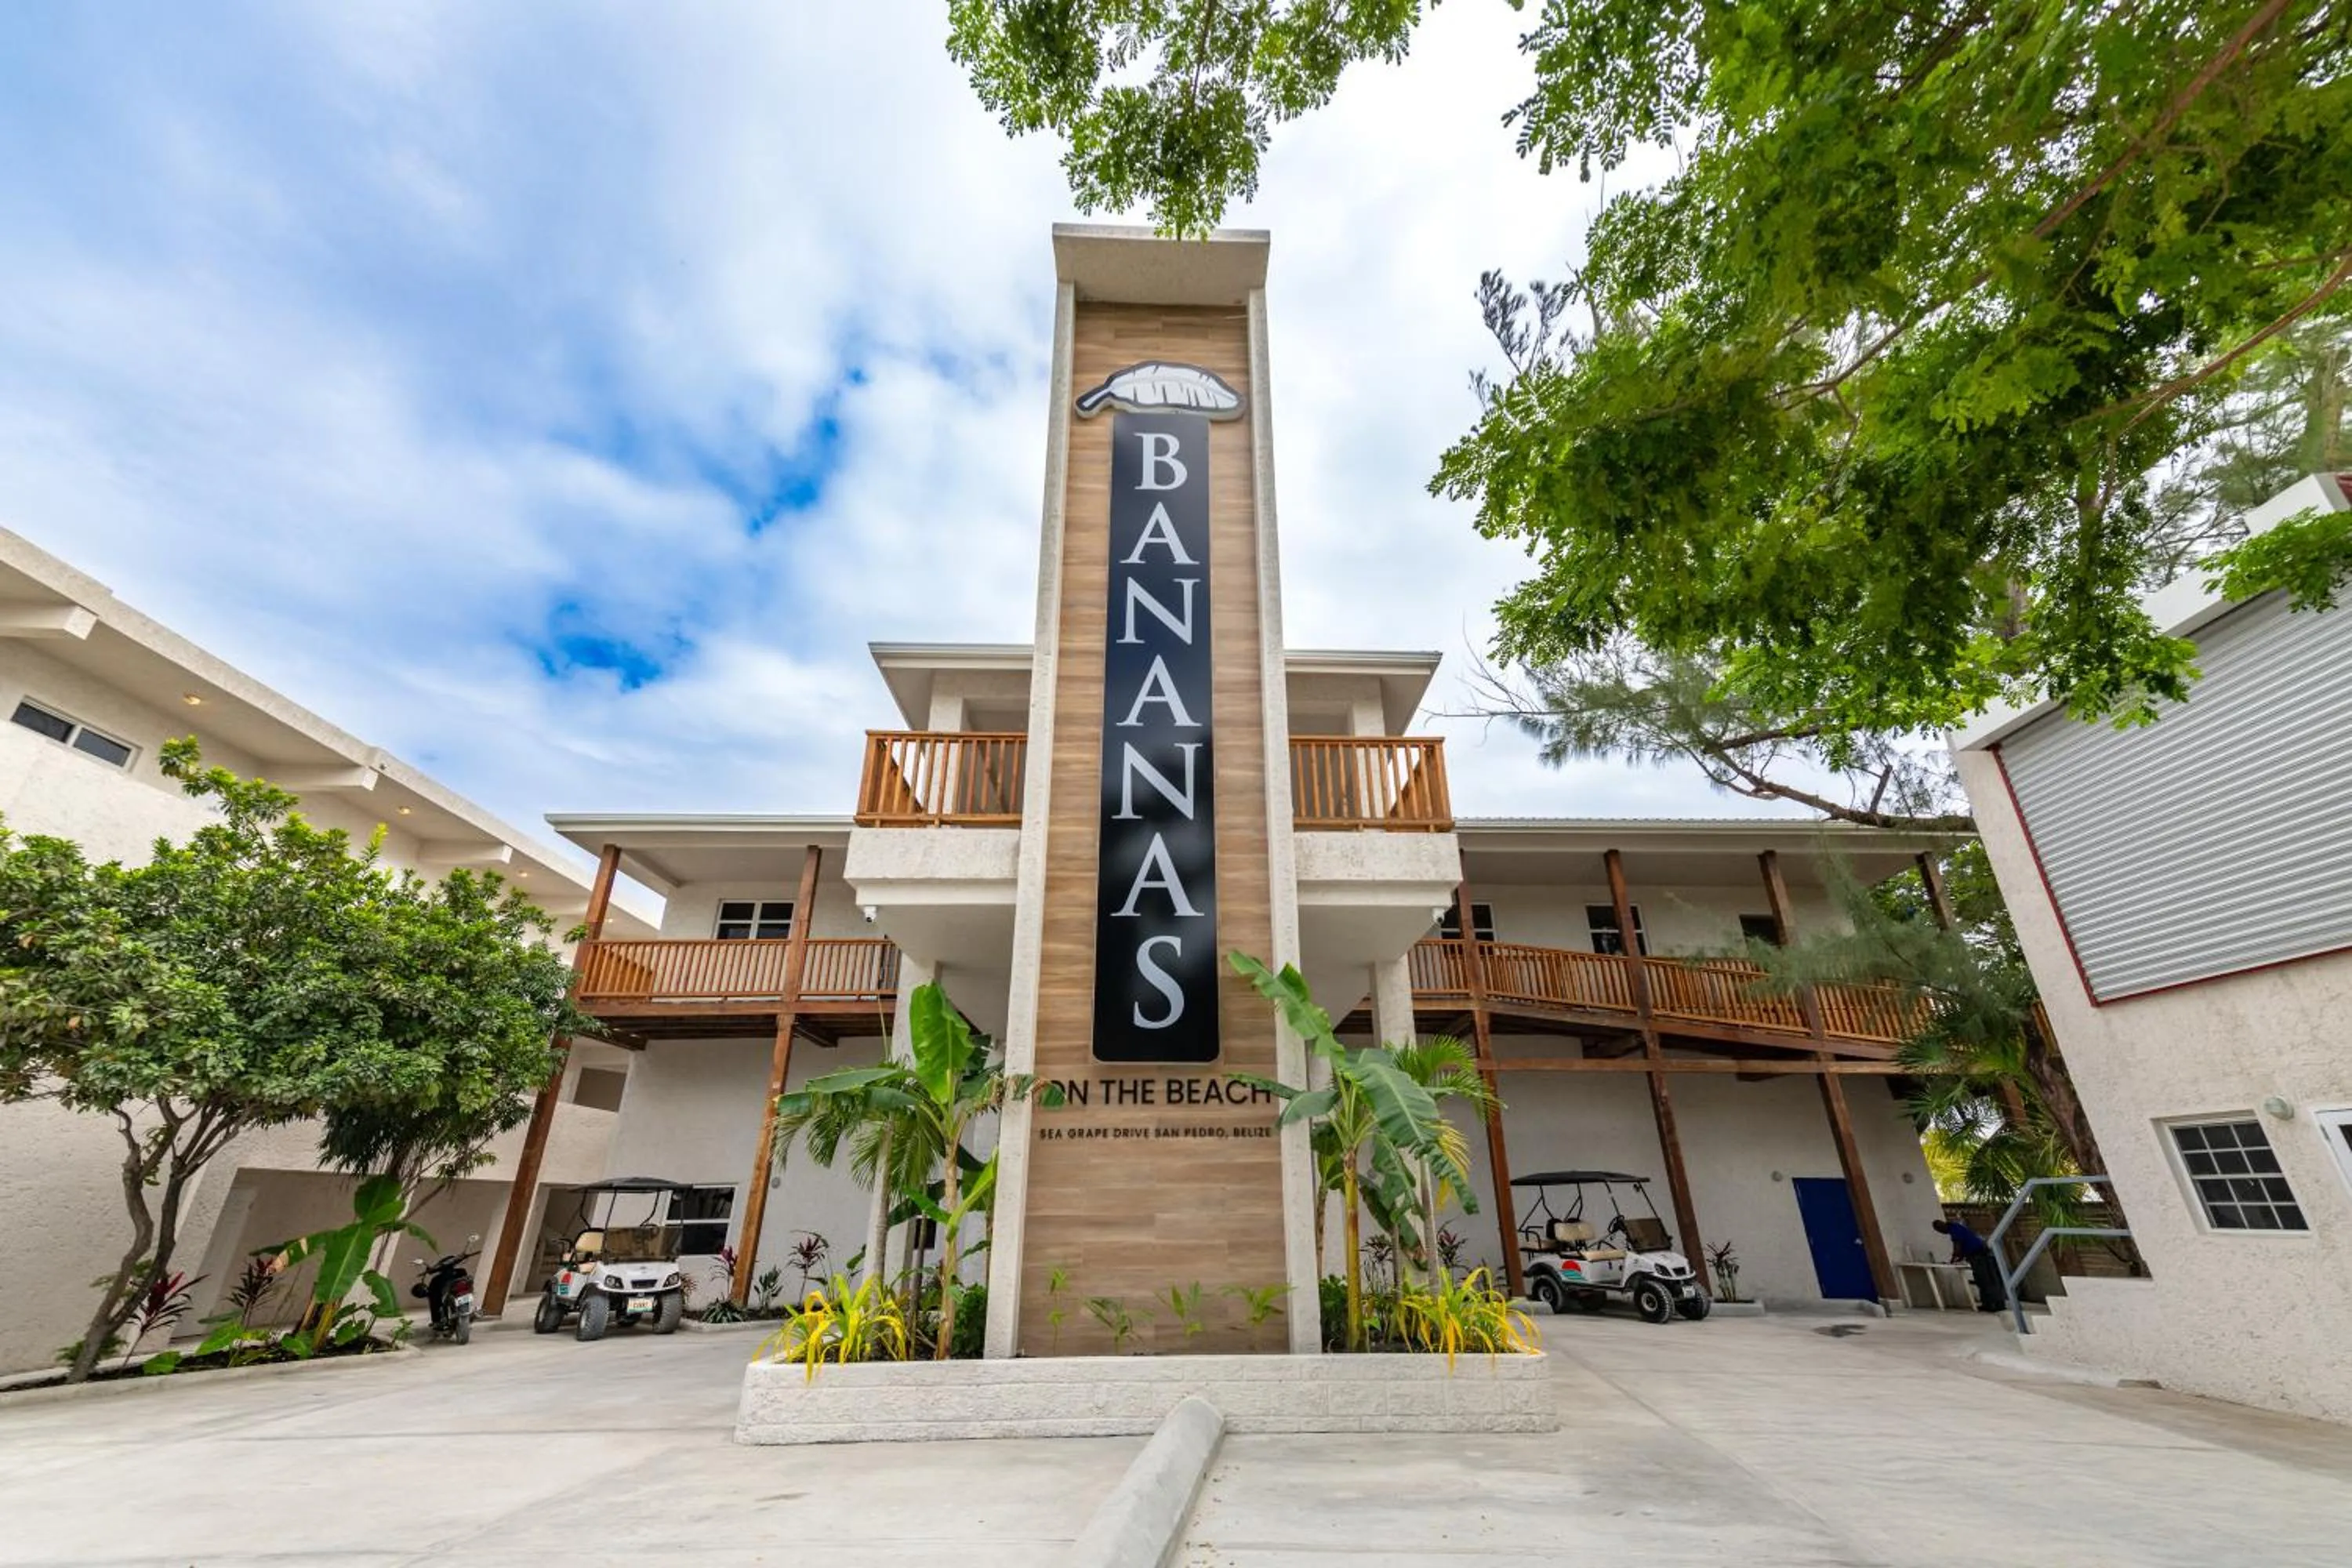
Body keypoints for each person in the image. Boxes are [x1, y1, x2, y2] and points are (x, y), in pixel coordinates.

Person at [1933, 1218, 2007, 1312]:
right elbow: (1962, 1248)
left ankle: (1997, 1304)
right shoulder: (1957, 1228)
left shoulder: (1955, 1229)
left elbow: (1957, 1247)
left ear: (1941, 1227)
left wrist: (1953, 1260)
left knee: (1987, 1279)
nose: (1941, 1233)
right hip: (1977, 1255)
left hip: (1980, 1255)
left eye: (1940, 1231)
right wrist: (1958, 1259)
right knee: (1982, 1280)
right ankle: (1988, 1304)